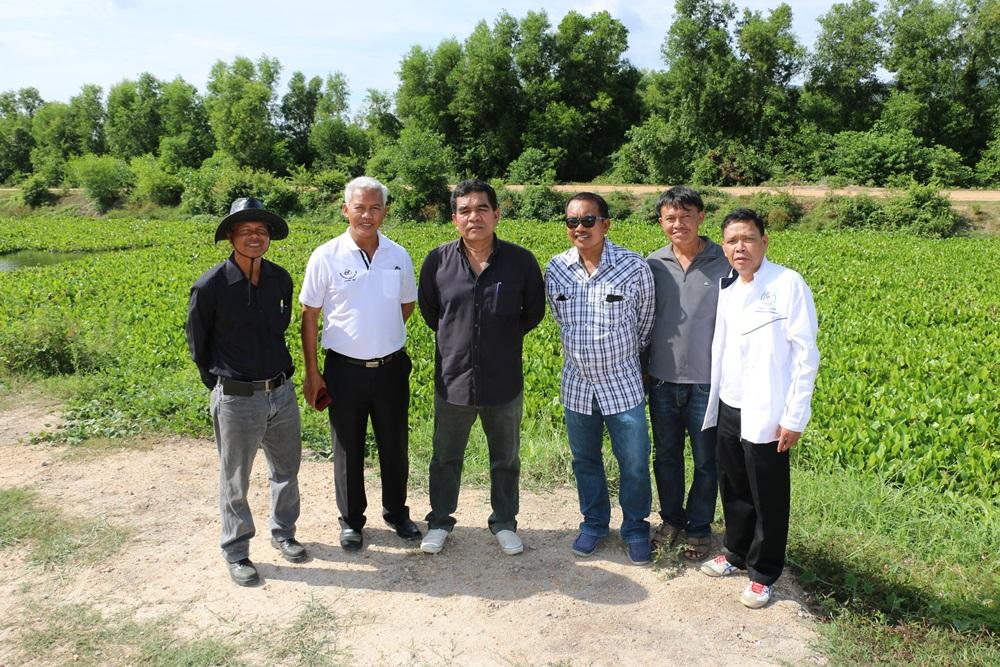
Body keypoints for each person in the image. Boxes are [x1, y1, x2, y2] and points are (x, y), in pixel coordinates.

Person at [417, 179, 545, 556]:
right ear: (454, 219)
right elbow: (431, 313)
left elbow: (533, 312)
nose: (474, 217)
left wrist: (501, 339)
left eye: (482, 209)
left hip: (503, 381)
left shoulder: (521, 262)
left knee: (505, 458)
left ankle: (504, 522)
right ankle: (440, 521)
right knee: (445, 457)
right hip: (452, 381)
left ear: (496, 214)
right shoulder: (437, 261)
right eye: (465, 211)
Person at [699, 208, 819, 609]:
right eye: (732, 241)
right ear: (723, 247)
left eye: (748, 239)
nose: (740, 247)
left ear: (764, 242)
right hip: (729, 404)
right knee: (734, 486)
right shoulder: (729, 288)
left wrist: (794, 416)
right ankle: (735, 552)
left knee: (768, 494)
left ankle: (764, 572)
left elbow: (806, 355)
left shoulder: (787, 284)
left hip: (767, 410)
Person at [186, 197, 307, 587]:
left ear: (269, 237)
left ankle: (283, 533)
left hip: (281, 392)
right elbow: (198, 344)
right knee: (235, 478)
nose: (255, 237)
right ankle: (236, 550)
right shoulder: (210, 286)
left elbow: (281, 328)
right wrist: (223, 387)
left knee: (286, 470)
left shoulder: (280, 279)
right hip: (236, 397)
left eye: (261, 231)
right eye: (245, 230)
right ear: (230, 237)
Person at [299, 176, 420, 552]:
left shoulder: (398, 255)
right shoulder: (326, 256)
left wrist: (379, 336)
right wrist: (312, 372)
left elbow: (406, 306)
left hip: (391, 369)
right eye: (360, 208)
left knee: (394, 444)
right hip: (343, 370)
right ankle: (351, 520)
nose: (367, 215)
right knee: (347, 448)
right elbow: (309, 315)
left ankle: (397, 513)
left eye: (375, 208)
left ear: (385, 211)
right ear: (345, 210)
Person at [545, 192, 655, 565]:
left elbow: (645, 323)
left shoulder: (633, 266)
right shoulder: (556, 268)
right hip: (577, 385)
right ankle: (594, 523)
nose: (580, 228)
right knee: (585, 460)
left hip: (622, 383)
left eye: (588, 220)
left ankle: (636, 528)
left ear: (605, 224)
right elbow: (560, 319)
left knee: (634, 461)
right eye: (572, 221)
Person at [646, 187, 732, 561]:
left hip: (707, 382)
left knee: (705, 459)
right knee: (665, 455)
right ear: (661, 222)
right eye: (670, 218)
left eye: (686, 216)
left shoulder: (725, 262)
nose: (678, 224)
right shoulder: (652, 264)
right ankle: (671, 521)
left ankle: (699, 527)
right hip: (661, 379)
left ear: (701, 217)